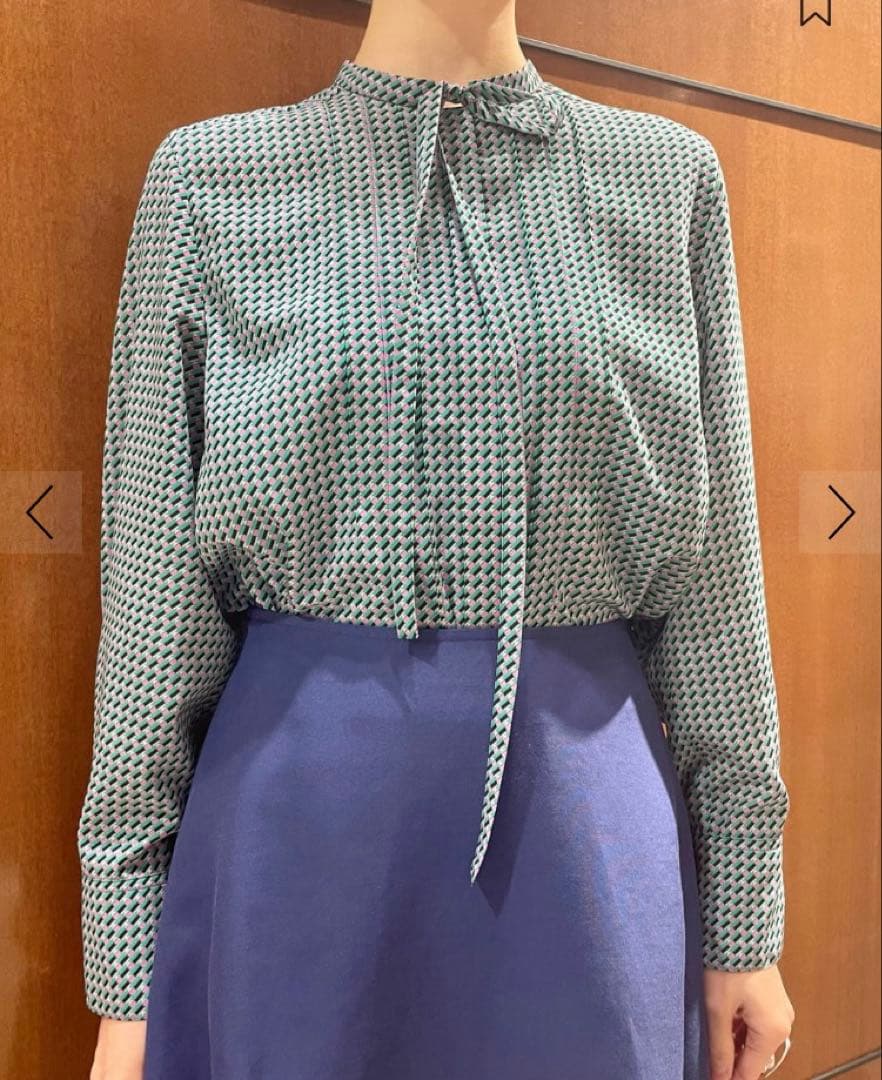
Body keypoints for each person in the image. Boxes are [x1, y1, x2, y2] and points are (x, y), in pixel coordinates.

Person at [79, 1, 796, 1078]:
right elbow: (153, 611)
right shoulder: (211, 182)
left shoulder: (666, 180)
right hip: (293, 839)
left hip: (590, 843)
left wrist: (745, 916)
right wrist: (128, 976)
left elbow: (714, 596)